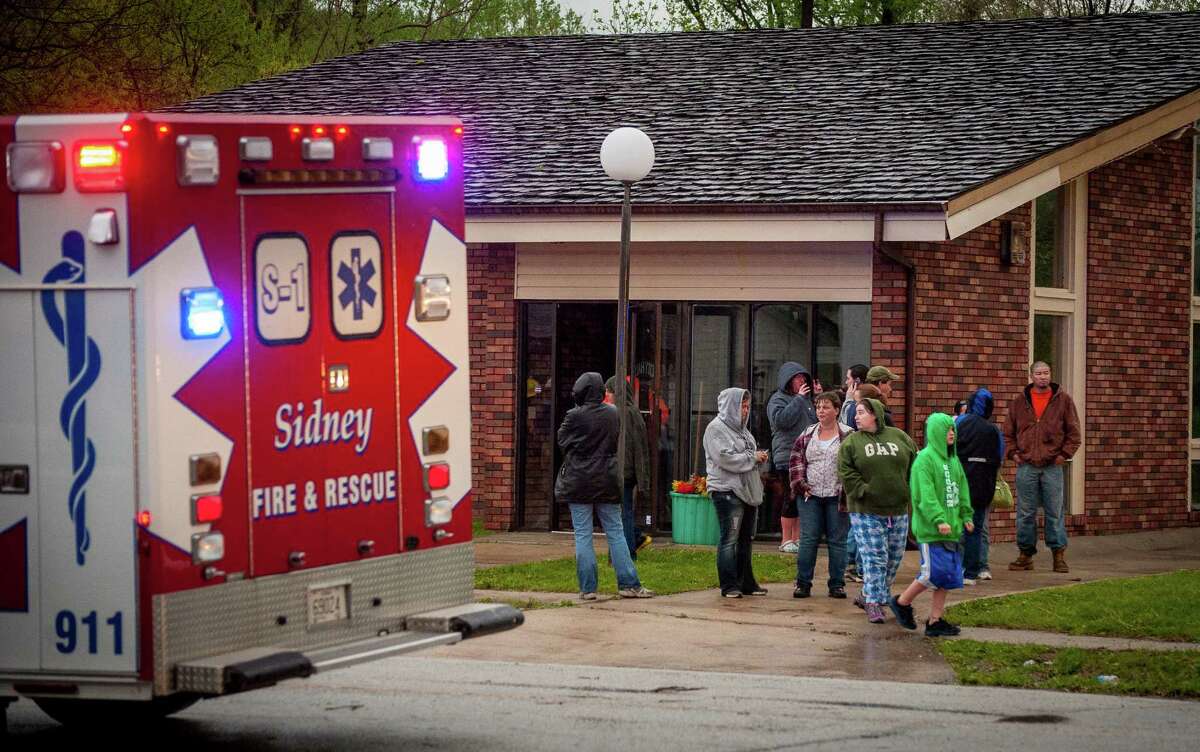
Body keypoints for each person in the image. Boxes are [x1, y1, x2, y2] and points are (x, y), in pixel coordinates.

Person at [556, 372, 654, 600]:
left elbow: (562, 441)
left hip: (578, 481)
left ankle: (588, 588)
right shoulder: (613, 414)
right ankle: (629, 583)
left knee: (583, 535)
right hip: (607, 480)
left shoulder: (573, 416)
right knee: (616, 532)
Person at [889, 412, 973, 637]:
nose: (952, 434)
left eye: (953, 430)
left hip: (951, 529)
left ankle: (935, 621)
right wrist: (938, 519)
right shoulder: (924, 460)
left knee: (947, 576)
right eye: (948, 430)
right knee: (931, 573)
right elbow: (925, 496)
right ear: (936, 431)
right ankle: (902, 602)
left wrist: (966, 516)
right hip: (931, 530)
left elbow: (961, 489)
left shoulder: (954, 460)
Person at [837, 398, 918, 624]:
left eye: (861, 412)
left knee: (893, 558)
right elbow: (845, 471)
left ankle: (867, 594)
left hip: (898, 508)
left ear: (875, 414)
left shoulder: (899, 437)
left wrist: (908, 489)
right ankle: (874, 601)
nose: (856, 416)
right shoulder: (851, 443)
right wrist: (863, 490)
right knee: (875, 557)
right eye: (856, 412)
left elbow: (915, 463)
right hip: (865, 509)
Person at [1003, 362, 1081, 573]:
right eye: (1038, 373)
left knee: (1054, 511)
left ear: (1051, 375)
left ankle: (1059, 555)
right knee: (1025, 512)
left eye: (1046, 373)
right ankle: (1025, 555)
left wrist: (1063, 456)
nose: (1043, 377)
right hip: (1026, 465)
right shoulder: (1019, 402)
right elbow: (1007, 432)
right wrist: (1014, 454)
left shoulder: (1063, 401)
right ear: (1031, 376)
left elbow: (1074, 434)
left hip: (1052, 466)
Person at [705, 387, 770, 599]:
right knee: (729, 539)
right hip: (726, 491)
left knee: (745, 539)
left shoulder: (743, 430)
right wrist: (753, 458)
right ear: (729, 406)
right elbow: (725, 458)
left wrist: (758, 456)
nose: (745, 411)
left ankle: (747, 582)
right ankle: (729, 585)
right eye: (741, 406)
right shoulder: (715, 429)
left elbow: (746, 452)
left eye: (747, 406)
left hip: (747, 490)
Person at [789, 391, 852, 599]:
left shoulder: (849, 435)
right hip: (810, 495)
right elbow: (796, 459)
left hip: (837, 495)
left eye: (825, 407)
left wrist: (848, 486)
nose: (821, 411)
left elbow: (855, 464)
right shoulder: (807, 433)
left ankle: (837, 584)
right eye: (818, 407)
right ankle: (803, 583)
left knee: (837, 540)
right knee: (808, 539)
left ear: (836, 409)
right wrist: (800, 484)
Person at [955, 388, 1003, 584]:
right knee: (975, 528)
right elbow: (999, 456)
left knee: (957, 528)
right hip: (984, 485)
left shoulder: (960, 423)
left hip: (961, 482)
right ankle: (973, 571)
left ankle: (957, 567)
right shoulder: (993, 430)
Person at [768, 362, 817, 554]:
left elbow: (814, 424)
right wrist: (798, 400)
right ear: (788, 380)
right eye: (798, 378)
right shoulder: (777, 400)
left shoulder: (805, 401)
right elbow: (781, 421)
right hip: (786, 456)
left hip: (805, 456)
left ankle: (796, 539)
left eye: (804, 378)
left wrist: (816, 399)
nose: (802, 381)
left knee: (799, 498)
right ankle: (785, 539)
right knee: (789, 497)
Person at [605, 376, 653, 559]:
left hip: (622, 471)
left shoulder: (621, 413)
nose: (607, 396)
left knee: (621, 513)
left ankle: (626, 552)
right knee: (623, 512)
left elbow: (634, 447)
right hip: (628, 471)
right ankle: (632, 541)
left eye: (609, 392)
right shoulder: (632, 412)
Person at [840, 364, 869, 428]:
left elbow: (844, 425)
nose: (846, 382)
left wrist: (848, 400)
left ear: (857, 381)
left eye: (848, 379)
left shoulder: (859, 402)